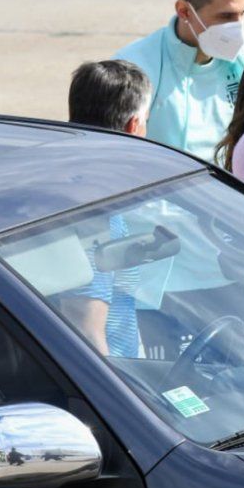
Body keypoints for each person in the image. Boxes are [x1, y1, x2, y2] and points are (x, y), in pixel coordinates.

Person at [114, 0, 244, 163]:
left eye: (243, 13)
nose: (237, 27)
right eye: (226, 16)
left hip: (231, 192)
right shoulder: (134, 68)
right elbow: (108, 152)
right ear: (184, 11)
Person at [64, 59, 151, 357]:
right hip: (112, 378)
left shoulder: (67, 181)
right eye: (146, 120)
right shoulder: (95, 211)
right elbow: (87, 328)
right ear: (133, 125)